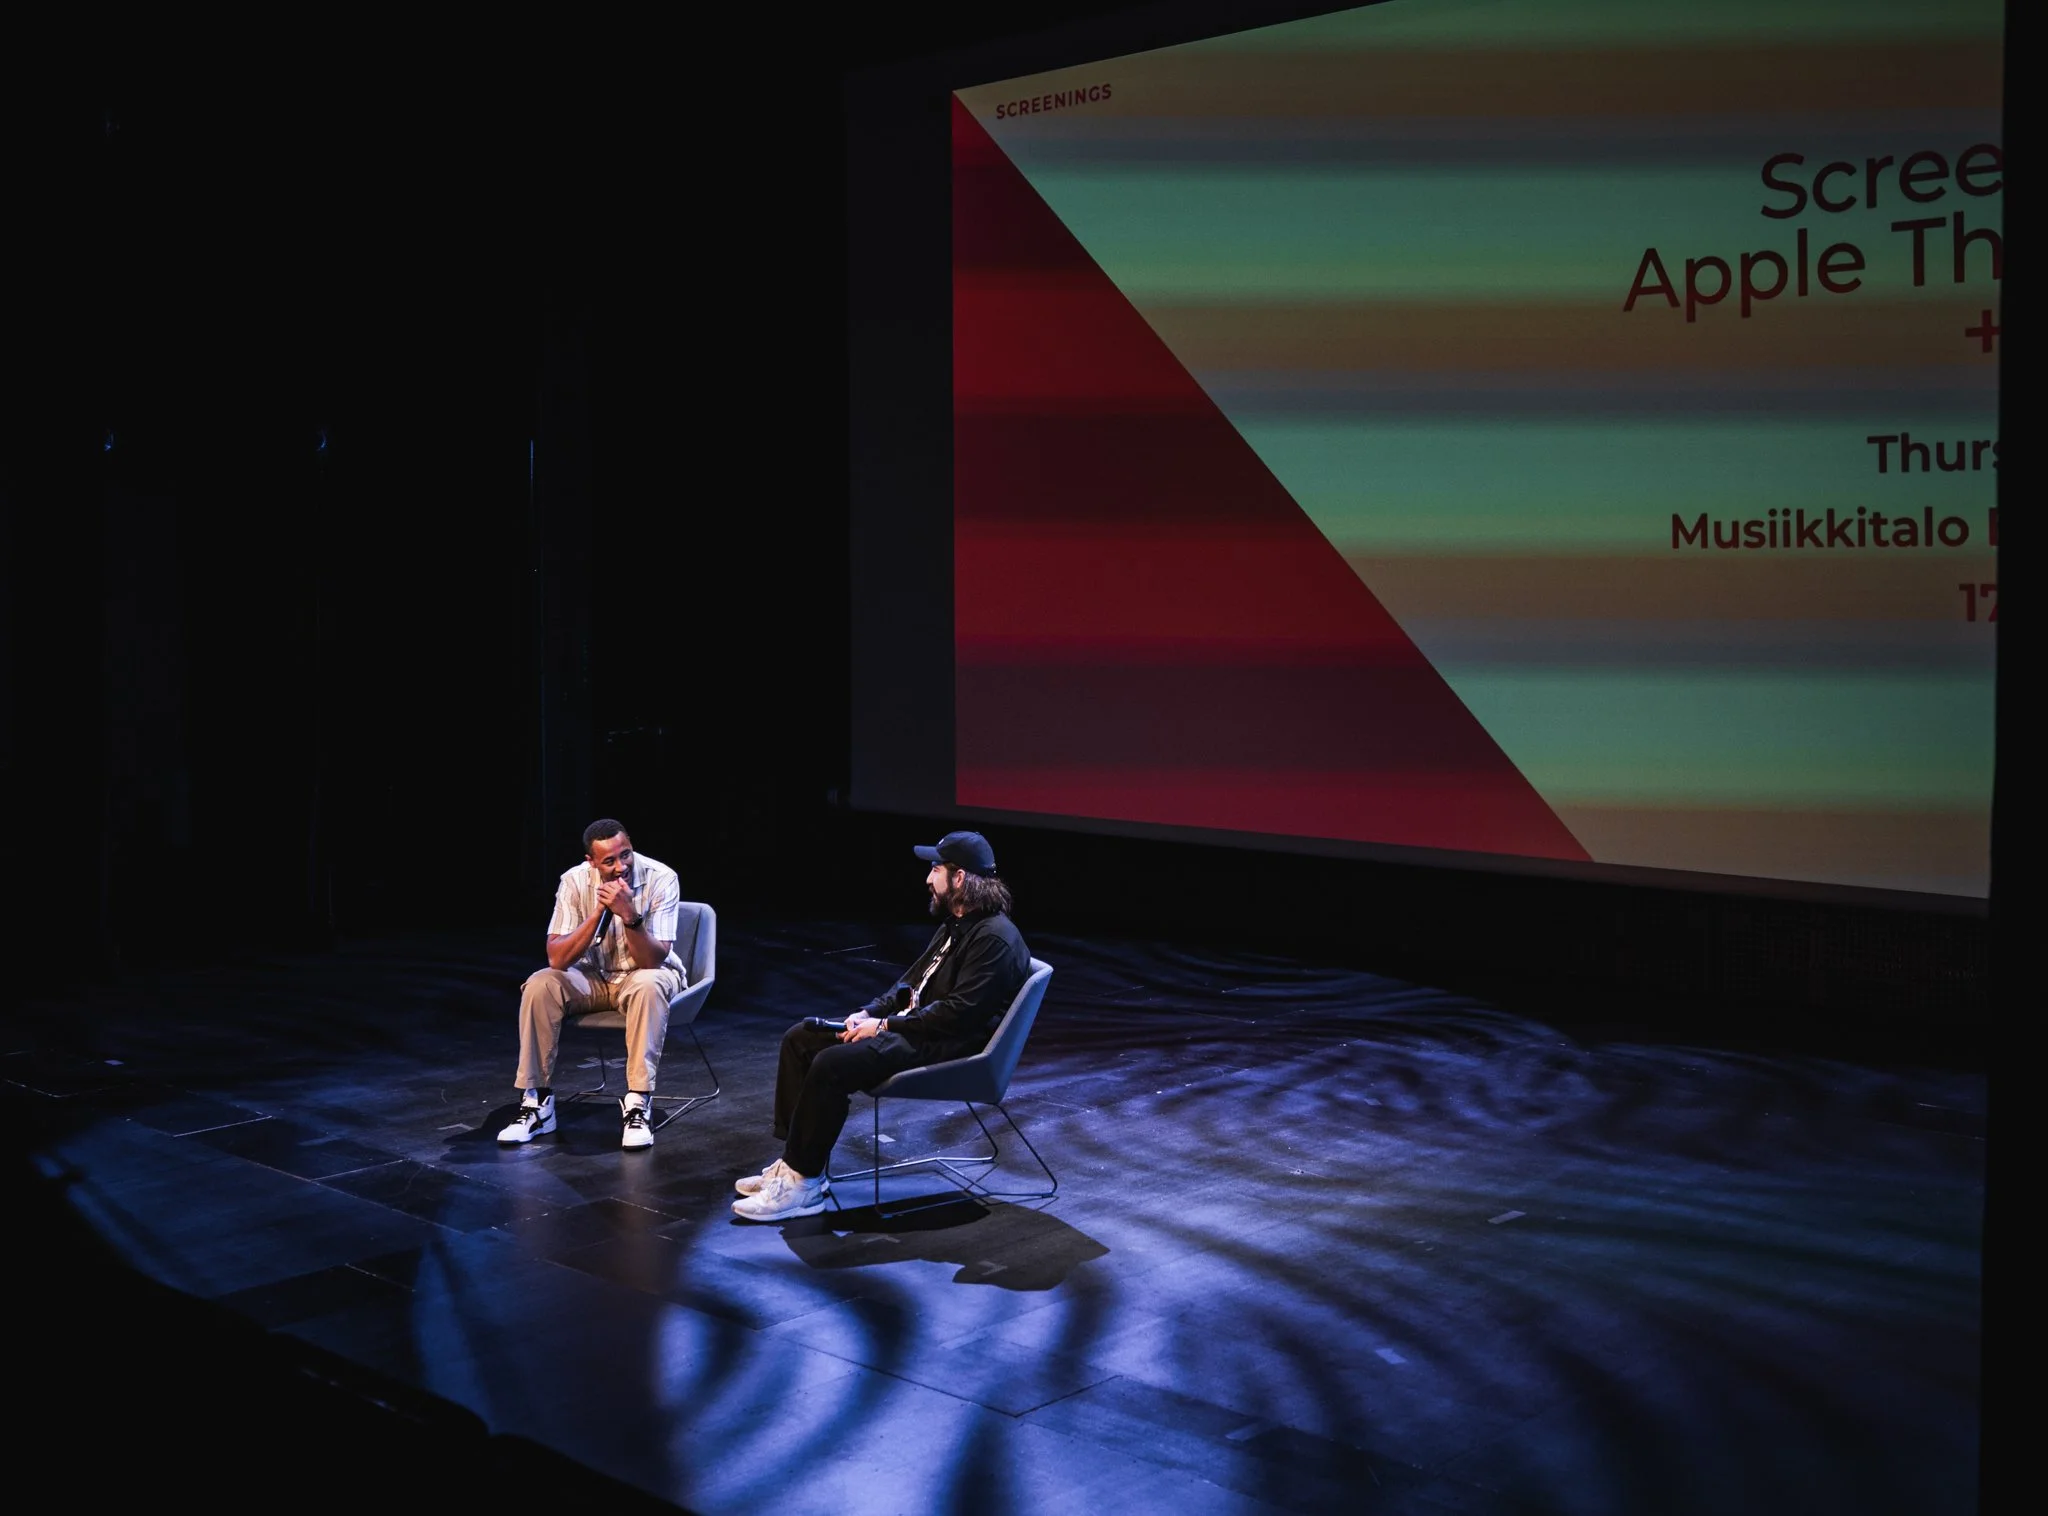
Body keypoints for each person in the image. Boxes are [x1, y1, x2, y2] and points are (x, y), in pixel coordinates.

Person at [733, 830, 1030, 1220]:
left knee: (832, 1064)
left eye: (935, 869)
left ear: (959, 878)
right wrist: (868, 1013)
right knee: (801, 1039)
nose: (927, 878)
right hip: (918, 1030)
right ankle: (797, 1166)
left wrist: (885, 1026)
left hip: (949, 1046)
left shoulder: (995, 939)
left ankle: (802, 1186)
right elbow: (908, 985)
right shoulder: (955, 926)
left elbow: (958, 1015)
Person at [498, 819, 688, 1150]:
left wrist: (629, 915)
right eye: (609, 861)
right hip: (594, 975)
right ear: (591, 862)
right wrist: (600, 909)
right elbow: (558, 958)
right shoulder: (573, 881)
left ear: (630, 844)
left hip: (645, 973)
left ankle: (638, 1103)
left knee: (648, 983)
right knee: (541, 984)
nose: (621, 867)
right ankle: (537, 1102)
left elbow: (651, 961)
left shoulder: (662, 878)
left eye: (625, 854)